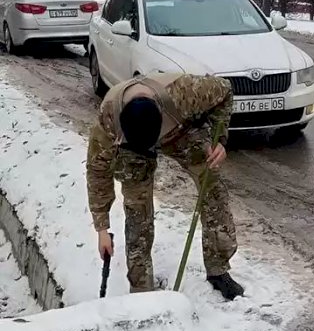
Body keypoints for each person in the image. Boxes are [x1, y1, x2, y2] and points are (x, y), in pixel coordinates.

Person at [86, 72, 245, 300]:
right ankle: (141, 288)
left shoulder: (186, 93)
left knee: (214, 191)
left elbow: (225, 91)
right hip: (133, 151)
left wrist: (220, 140)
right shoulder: (109, 118)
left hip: (180, 133)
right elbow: (97, 171)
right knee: (136, 211)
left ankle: (218, 269)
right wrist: (102, 228)